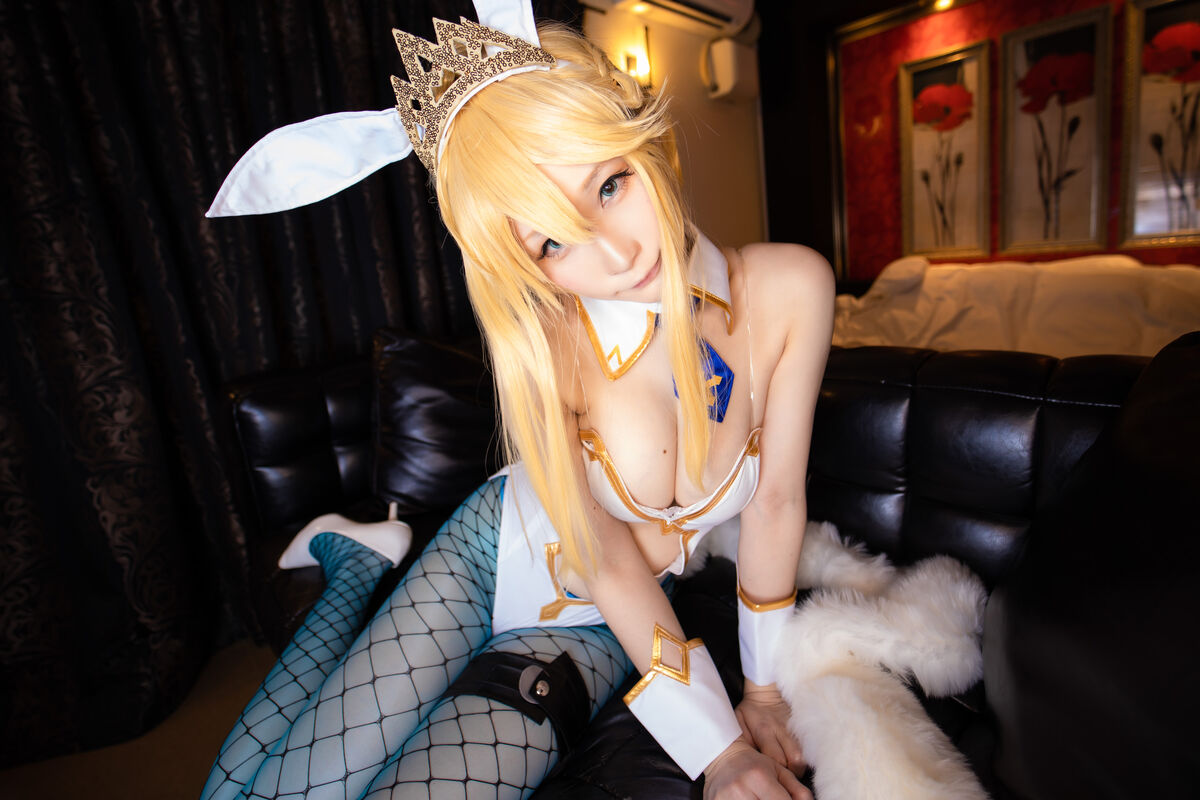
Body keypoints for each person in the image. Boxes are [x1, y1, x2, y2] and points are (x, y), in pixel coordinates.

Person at [201, 7, 832, 800]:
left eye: (610, 183)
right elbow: (602, 552)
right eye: (553, 242)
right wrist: (721, 747)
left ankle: (357, 559)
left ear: (639, 138)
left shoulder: (791, 288)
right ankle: (354, 558)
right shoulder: (549, 344)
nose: (619, 254)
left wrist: (758, 700)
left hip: (604, 621)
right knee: (252, 792)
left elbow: (775, 501)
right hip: (484, 556)